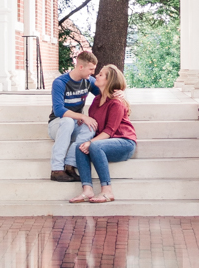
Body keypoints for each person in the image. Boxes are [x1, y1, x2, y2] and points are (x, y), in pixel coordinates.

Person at [68, 65, 136, 204]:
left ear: (109, 80)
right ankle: (87, 190)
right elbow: (95, 124)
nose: (96, 76)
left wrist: (91, 142)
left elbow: (109, 131)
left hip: (123, 143)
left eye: (100, 74)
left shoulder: (116, 103)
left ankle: (107, 191)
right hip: (103, 143)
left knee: (94, 146)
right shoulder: (96, 100)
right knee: (79, 147)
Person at [48, 50, 100, 182]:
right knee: (68, 122)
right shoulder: (60, 82)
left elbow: (105, 92)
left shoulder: (88, 81)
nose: (92, 73)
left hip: (75, 124)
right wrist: (82, 116)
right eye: (91, 69)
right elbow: (59, 110)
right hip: (57, 124)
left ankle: (70, 165)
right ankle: (57, 169)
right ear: (81, 66)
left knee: (91, 127)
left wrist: (118, 93)